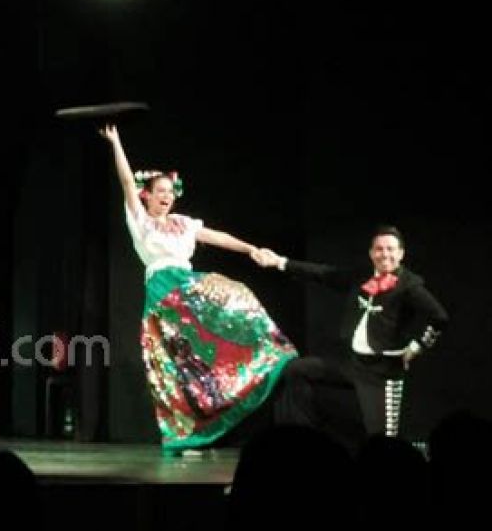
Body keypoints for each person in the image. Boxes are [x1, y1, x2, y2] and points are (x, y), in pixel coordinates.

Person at [98, 124, 297, 452]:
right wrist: (117, 143)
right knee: (178, 369)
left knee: (238, 295)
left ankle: (266, 350)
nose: (166, 196)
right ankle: (187, 434)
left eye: (170, 191)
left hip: (189, 287)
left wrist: (250, 248)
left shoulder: (185, 223)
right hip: (164, 293)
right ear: (146, 194)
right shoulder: (140, 221)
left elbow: (218, 236)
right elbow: (125, 182)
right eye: (159, 191)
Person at [257, 226, 448, 441]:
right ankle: (302, 441)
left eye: (391, 249)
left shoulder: (410, 286)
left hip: (382, 372)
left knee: (382, 440)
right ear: (371, 253)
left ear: (401, 253)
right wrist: (279, 262)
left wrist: (417, 347)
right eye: (379, 249)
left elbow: (439, 317)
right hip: (351, 364)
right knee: (296, 370)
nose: (385, 254)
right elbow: (323, 273)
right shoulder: (361, 277)